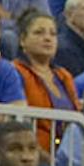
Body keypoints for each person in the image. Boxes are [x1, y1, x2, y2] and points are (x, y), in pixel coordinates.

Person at [12, 10, 80, 154]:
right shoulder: (15, 71)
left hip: (67, 153)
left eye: (52, 34)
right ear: (22, 40)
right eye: (39, 33)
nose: (47, 38)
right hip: (32, 151)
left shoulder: (64, 75)